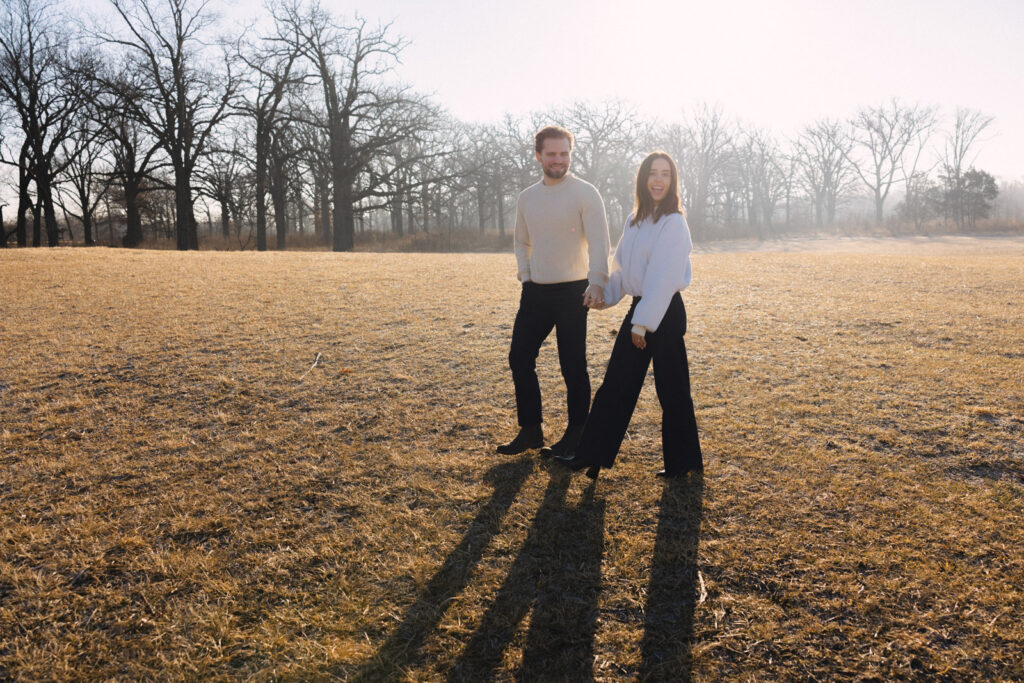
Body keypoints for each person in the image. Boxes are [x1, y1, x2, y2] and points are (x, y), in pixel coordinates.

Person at [556, 151, 702, 479]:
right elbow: (621, 269)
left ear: (673, 181)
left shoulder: (674, 222)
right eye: (653, 173)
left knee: (673, 389)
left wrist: (643, 323)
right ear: (643, 178)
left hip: (662, 311)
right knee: (616, 385)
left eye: (665, 174)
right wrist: (602, 295)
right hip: (642, 309)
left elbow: (663, 277)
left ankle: (684, 463)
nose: (658, 179)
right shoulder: (635, 220)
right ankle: (589, 456)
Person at [496, 126, 611, 456]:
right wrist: (525, 274)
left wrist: (597, 280)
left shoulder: (586, 193)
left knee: (572, 365)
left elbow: (600, 240)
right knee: (519, 358)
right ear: (538, 156)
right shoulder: (527, 198)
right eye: (551, 154)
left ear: (570, 154)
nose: (558, 160)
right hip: (535, 292)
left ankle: (577, 436)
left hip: (575, 291)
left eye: (564, 153)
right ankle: (531, 431)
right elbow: (521, 240)